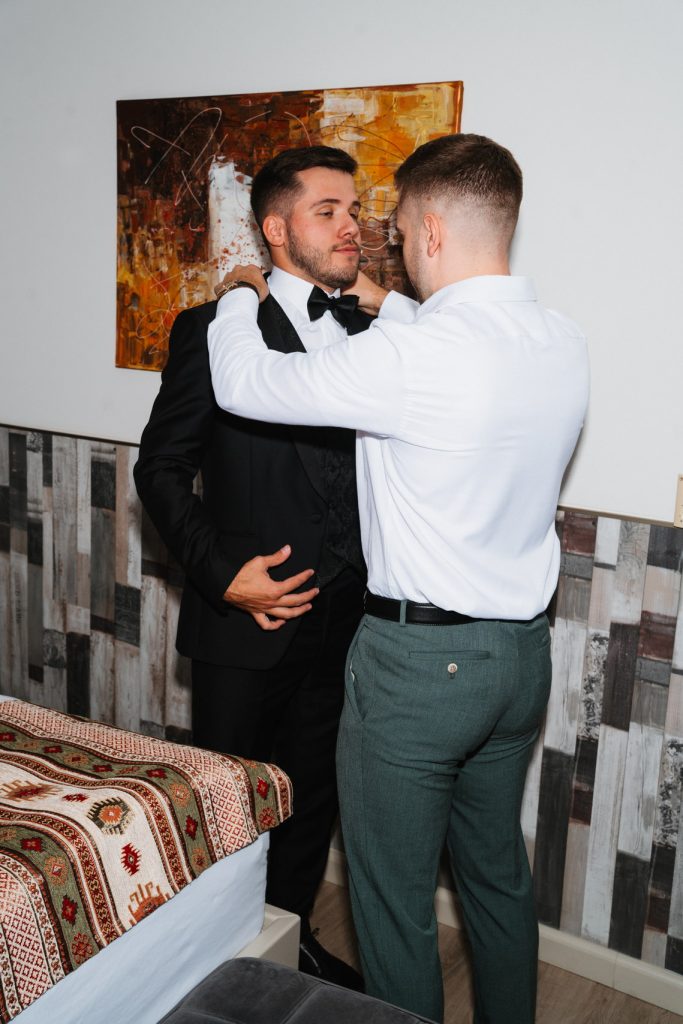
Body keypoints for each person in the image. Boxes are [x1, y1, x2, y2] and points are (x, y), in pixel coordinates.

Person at [206, 133, 590, 1023]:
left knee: (391, 901)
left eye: (397, 229)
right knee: (494, 873)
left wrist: (235, 294)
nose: (387, 245)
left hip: (418, 670)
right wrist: (394, 307)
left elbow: (244, 382)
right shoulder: (559, 339)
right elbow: (460, 353)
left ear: (429, 230)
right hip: (519, 661)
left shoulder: (410, 357)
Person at [134, 145, 411, 989]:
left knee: (310, 798)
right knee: (229, 803)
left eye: (354, 210)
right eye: (329, 211)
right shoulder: (210, 330)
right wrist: (222, 574)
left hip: (346, 621)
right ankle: (209, 964)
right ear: (277, 230)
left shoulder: (376, 332)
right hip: (240, 626)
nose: (351, 226)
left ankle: (287, 946)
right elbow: (160, 468)